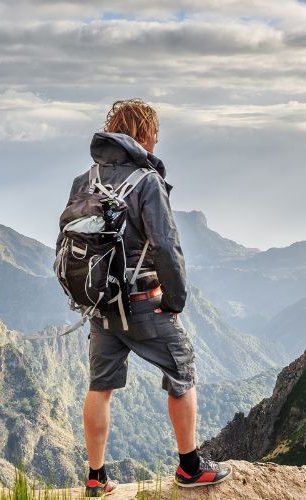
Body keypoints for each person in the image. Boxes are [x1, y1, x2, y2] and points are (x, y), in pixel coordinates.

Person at [59, 99, 232, 497]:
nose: (156, 143)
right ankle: (190, 467)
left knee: (99, 386)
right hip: (142, 303)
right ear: (142, 134)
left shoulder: (83, 180)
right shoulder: (146, 181)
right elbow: (168, 249)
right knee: (182, 369)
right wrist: (175, 300)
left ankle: (95, 478)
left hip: (100, 303)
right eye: (154, 135)